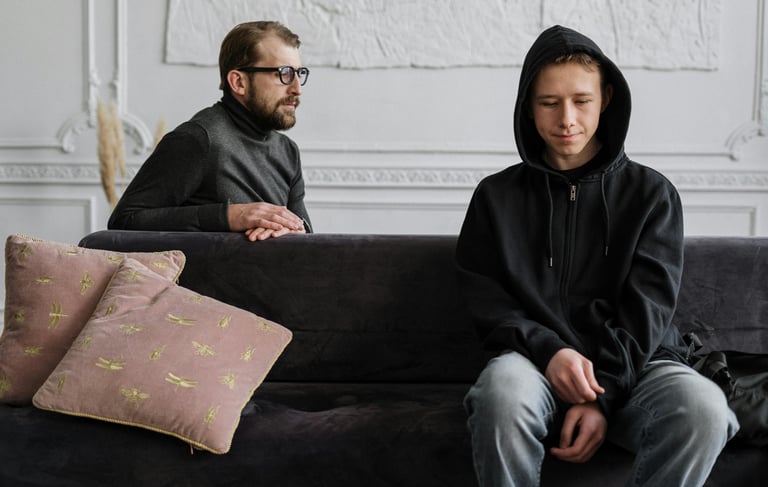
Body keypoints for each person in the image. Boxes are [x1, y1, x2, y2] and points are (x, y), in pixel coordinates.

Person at [456, 25, 738, 486]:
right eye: (549, 102)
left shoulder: (652, 195)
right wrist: (550, 352)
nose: (566, 118)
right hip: (532, 363)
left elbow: (647, 309)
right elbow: (486, 300)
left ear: (605, 98)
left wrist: (600, 397)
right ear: (528, 106)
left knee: (703, 410)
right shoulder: (495, 197)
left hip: (636, 365)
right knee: (501, 393)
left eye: (581, 101)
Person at [108, 21, 312, 241]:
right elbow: (124, 221)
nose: (297, 89)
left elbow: (305, 233)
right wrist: (229, 215)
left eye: (299, 73)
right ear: (238, 82)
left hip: (272, 273)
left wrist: (295, 231)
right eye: (284, 73)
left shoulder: (288, 150)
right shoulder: (197, 139)